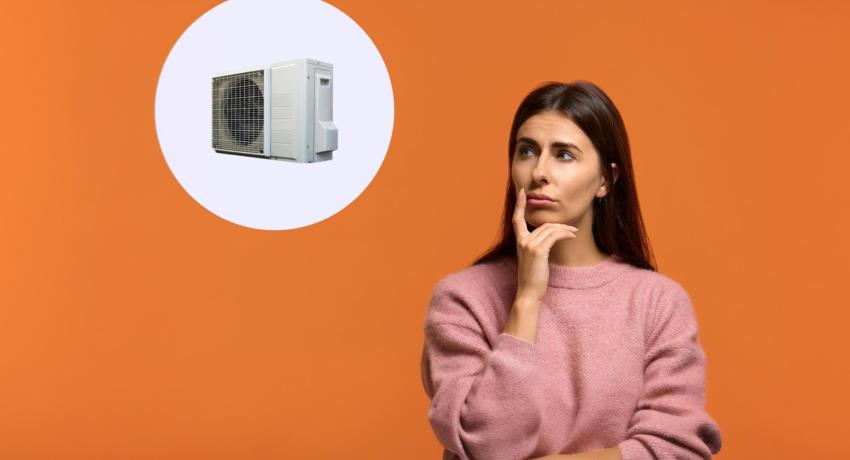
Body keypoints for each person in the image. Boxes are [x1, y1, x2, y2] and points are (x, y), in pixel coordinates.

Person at [420, 81, 722, 460]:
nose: (539, 172)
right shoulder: (461, 299)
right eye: (526, 151)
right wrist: (527, 301)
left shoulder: (658, 302)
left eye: (564, 155)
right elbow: (488, 445)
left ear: (605, 181)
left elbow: (675, 446)